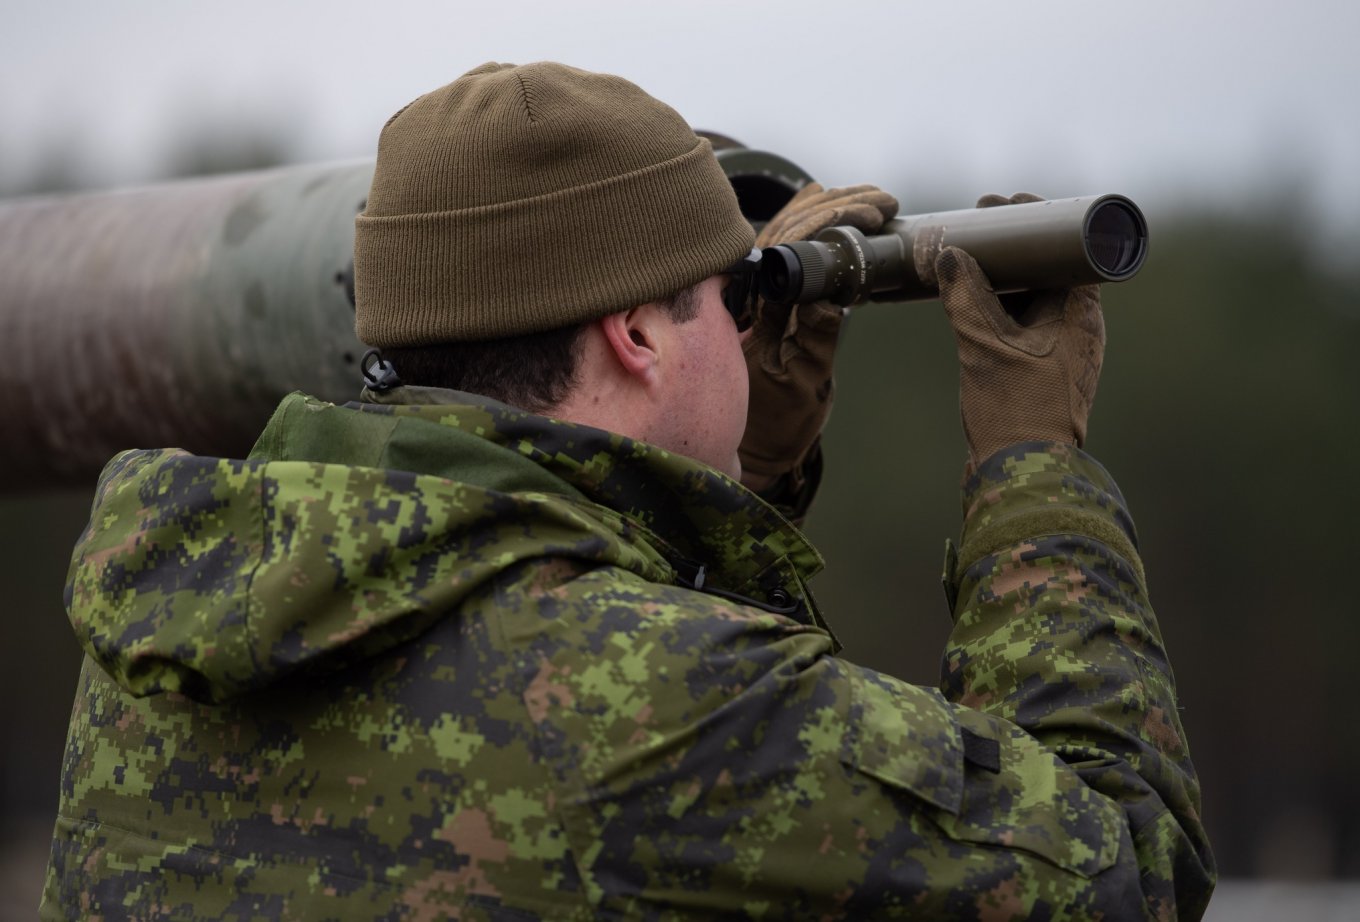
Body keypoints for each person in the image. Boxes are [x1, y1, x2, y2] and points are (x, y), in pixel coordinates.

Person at [43, 61, 1214, 920]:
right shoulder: (674, 698)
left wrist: (740, 487)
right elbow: (1127, 871)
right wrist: (1033, 475)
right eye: (723, 292)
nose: (740, 326)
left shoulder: (170, 629)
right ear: (638, 335)